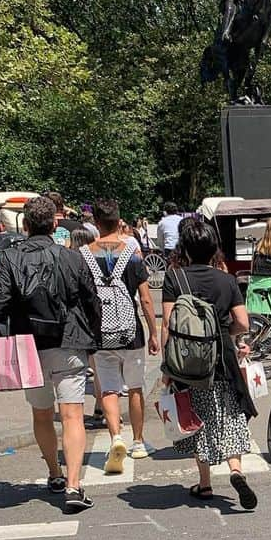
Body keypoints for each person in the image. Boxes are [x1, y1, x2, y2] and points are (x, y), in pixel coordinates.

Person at [0, 194, 102, 513]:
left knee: (41, 413)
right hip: (69, 341)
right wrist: (91, 336)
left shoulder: (8, 259)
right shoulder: (72, 257)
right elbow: (92, 299)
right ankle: (74, 485)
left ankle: (54, 473)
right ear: (55, 224)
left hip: (29, 344)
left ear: (24, 225)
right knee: (72, 414)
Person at [161, 217, 258, 510]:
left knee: (198, 419)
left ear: (186, 249)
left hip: (188, 363)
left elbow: (168, 324)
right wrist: (223, 336)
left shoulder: (174, 278)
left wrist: (167, 367)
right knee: (228, 415)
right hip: (224, 361)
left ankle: (204, 484)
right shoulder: (227, 280)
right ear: (214, 247)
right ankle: (236, 471)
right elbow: (242, 322)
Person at [80, 198, 160, 472]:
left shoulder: (84, 255)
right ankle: (138, 442)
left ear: (96, 224)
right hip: (130, 331)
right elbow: (147, 300)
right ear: (119, 220)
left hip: (99, 332)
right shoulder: (133, 257)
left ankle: (115, 436)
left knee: (109, 388)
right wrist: (153, 332)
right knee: (135, 389)